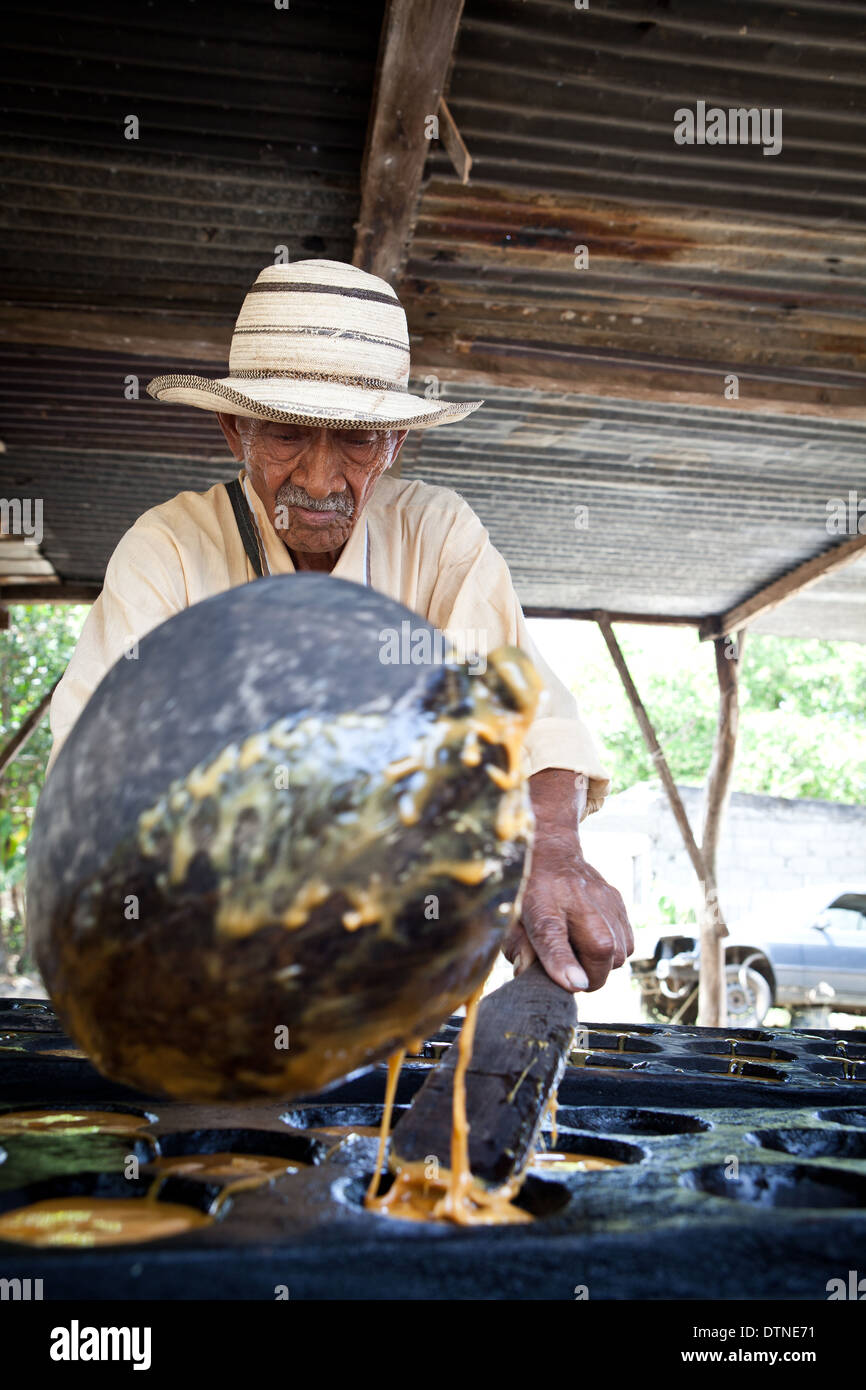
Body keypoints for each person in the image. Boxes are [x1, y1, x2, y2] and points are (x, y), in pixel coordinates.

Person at [47, 258, 632, 993]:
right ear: (237, 430)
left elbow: (530, 718)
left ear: (394, 444)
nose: (320, 481)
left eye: (355, 439)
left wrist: (550, 845)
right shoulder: (169, 549)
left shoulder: (436, 536)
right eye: (289, 434)